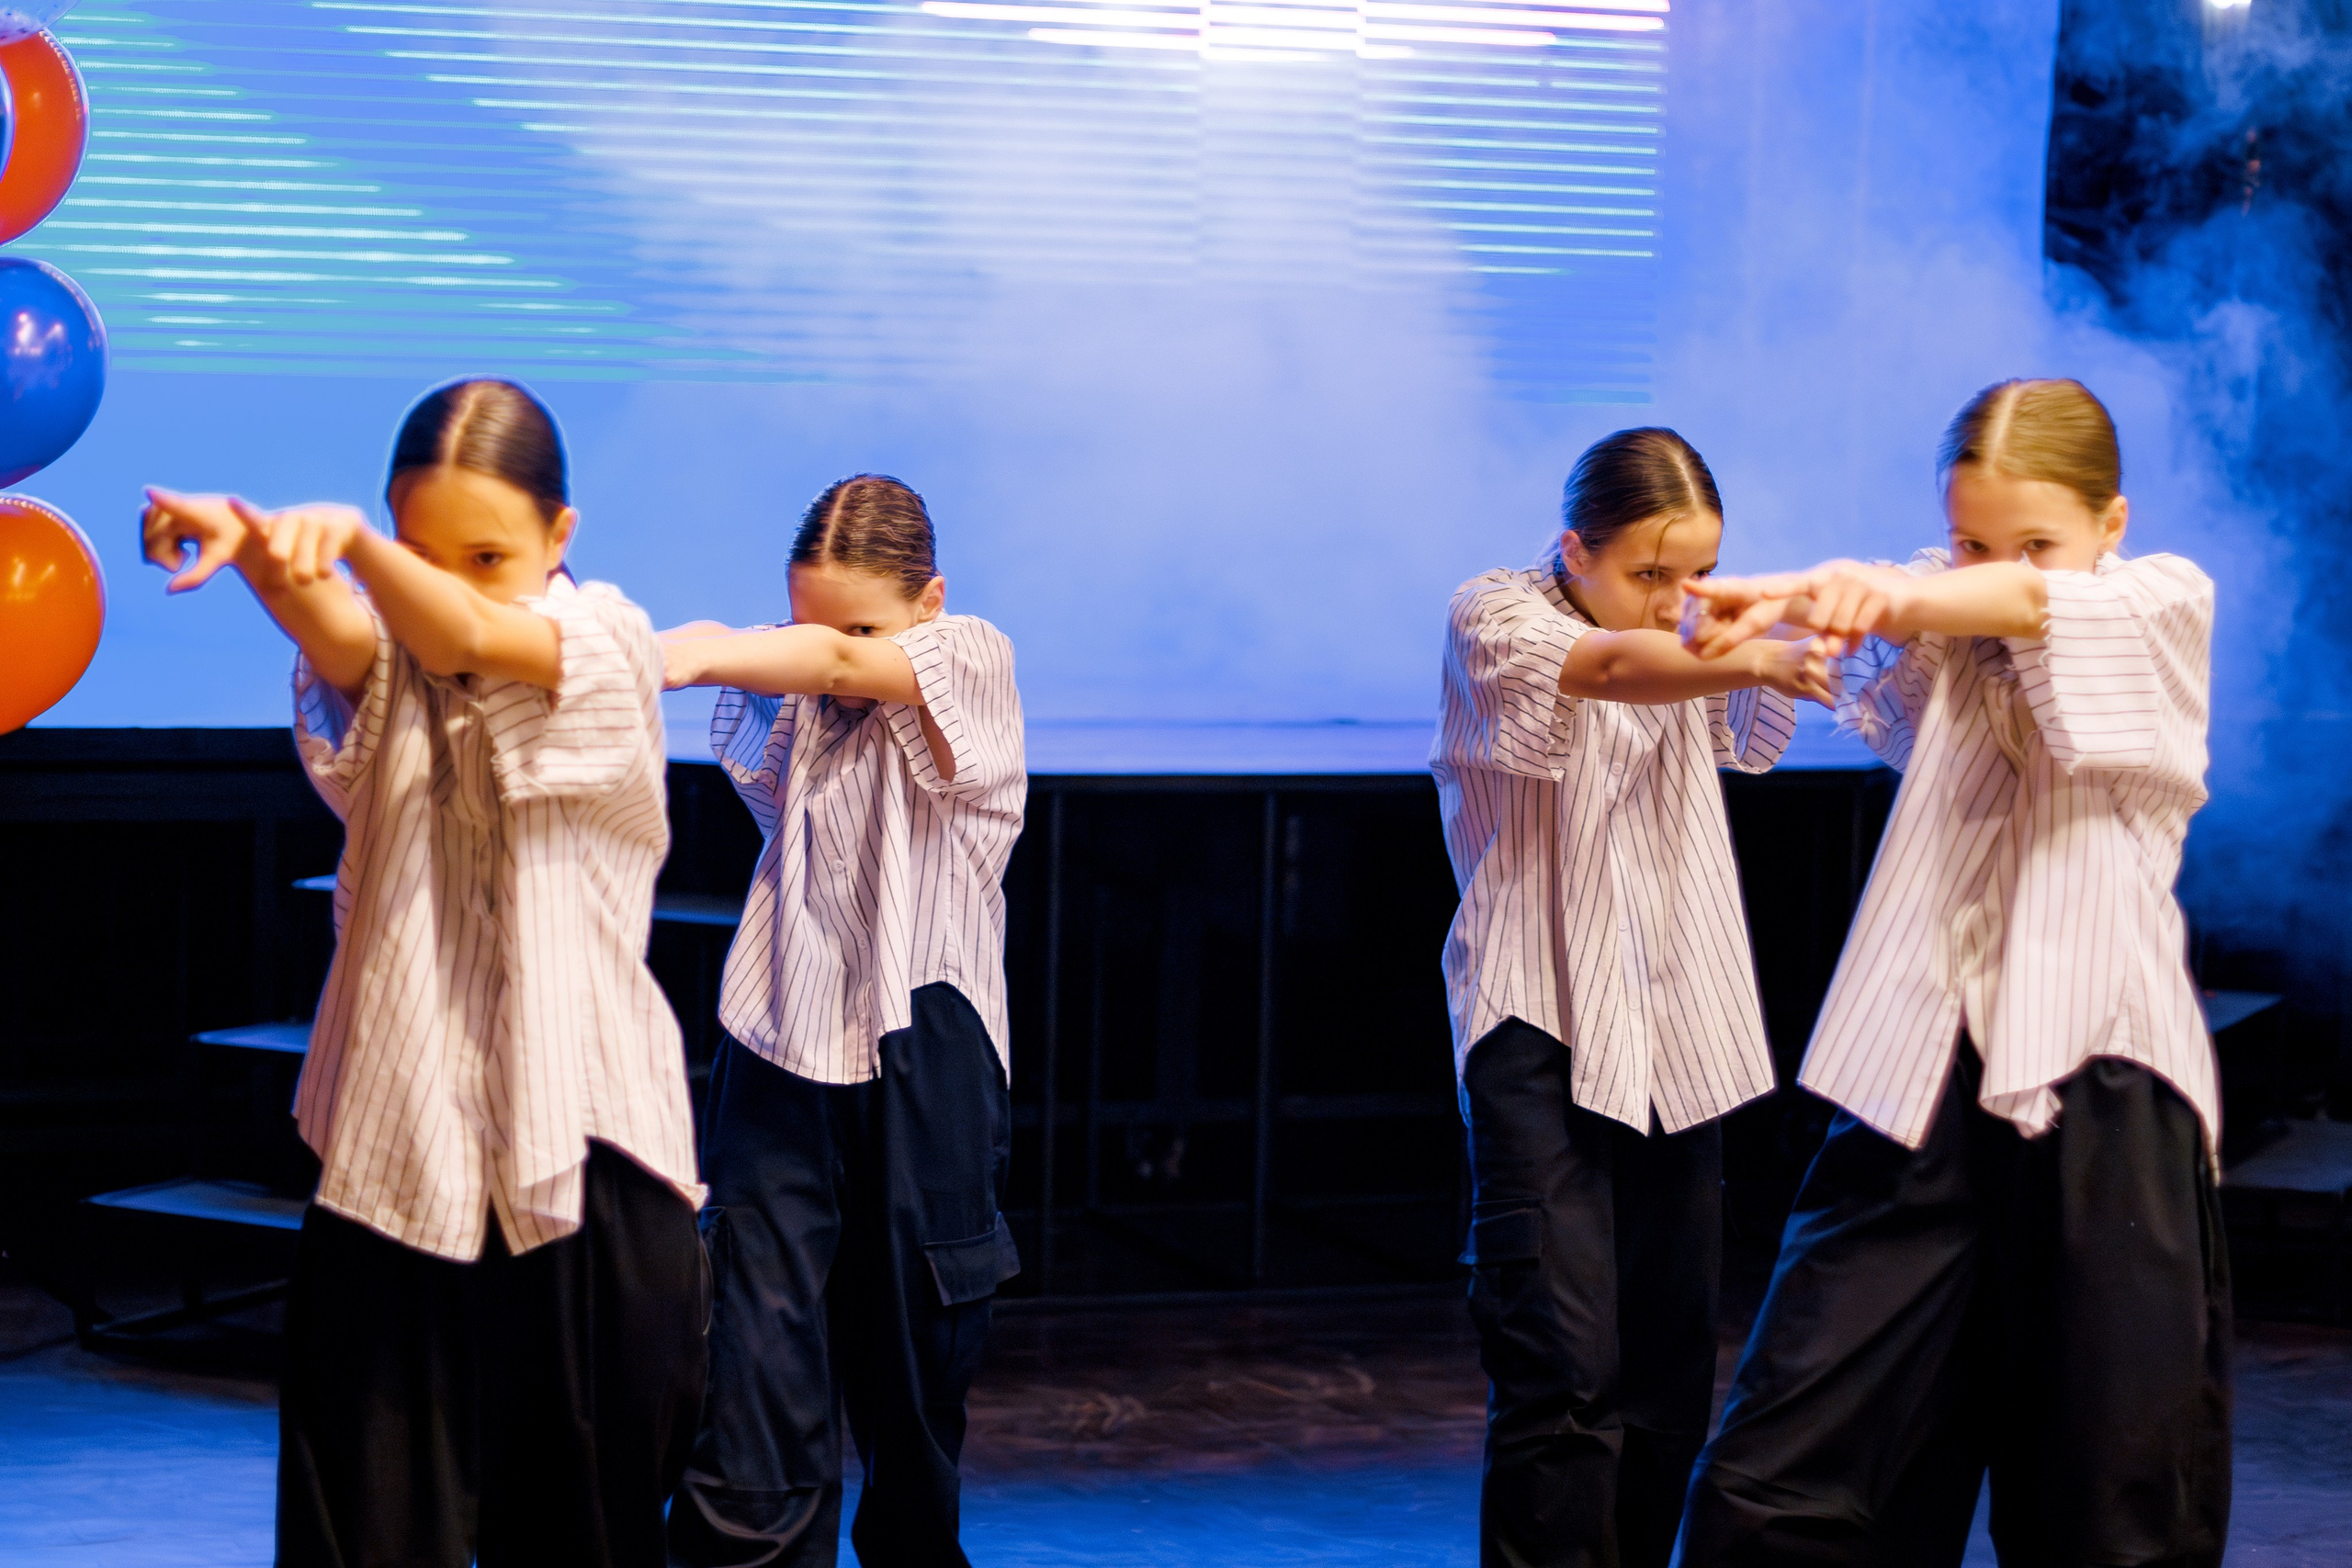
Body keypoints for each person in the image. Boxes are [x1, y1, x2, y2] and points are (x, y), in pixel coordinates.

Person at [140, 378, 707, 1568]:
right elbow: (348, 634)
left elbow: (460, 634)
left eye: (488, 553)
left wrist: (350, 539)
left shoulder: (604, 640)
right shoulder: (394, 649)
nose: (448, 582)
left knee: (579, 1540)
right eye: (418, 550)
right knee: (362, 1532)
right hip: (400, 1158)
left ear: (561, 535)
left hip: (585, 1159)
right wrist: (249, 543)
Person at [1674, 378, 2230, 1566]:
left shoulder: (2160, 599)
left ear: (2110, 523)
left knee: (2105, 1507)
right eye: (1971, 534)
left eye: (2038, 535)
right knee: (1777, 1487)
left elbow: (2032, 601)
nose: (2001, 559)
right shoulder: (1938, 608)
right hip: (1913, 1080)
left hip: (2103, 1086)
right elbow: (1891, 635)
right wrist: (1779, 626)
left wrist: (1914, 588)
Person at [1431, 427, 1834, 1568]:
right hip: (1538, 1023)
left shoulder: (1693, 629)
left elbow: (1739, 743)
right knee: (1559, 1367)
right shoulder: (1495, 612)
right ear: (1574, 549)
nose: (1672, 603)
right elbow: (1605, 672)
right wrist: (1747, 657)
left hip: (1681, 1024)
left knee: (1667, 1375)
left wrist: (1758, 636)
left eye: (1694, 574)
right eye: (1648, 576)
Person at [659, 474, 1025, 1568]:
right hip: (778, 1035)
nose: (829, 647)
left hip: (930, 1047)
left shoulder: (970, 653)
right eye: (807, 615)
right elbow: (805, 675)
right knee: (754, 1369)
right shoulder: (797, 673)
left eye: (862, 621)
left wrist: (678, 650)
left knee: (914, 1385)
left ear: (930, 601)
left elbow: (834, 665)